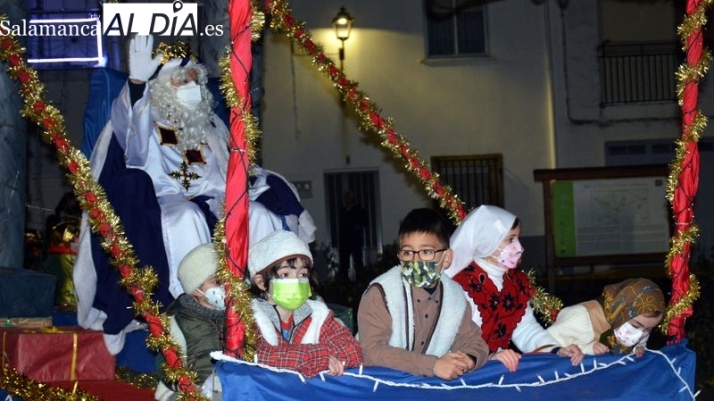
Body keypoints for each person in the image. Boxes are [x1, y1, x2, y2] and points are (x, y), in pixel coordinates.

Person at [74, 35, 230, 353]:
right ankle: (184, 306)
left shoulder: (210, 125)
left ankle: (227, 310)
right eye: (179, 78)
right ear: (160, 85)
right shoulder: (148, 115)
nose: (189, 83)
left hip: (209, 201)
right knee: (183, 216)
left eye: (194, 78)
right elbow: (129, 141)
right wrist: (135, 84)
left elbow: (228, 173)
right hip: (158, 202)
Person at [444, 205, 584, 372]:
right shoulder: (462, 287)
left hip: (498, 370)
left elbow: (525, 329)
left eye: (517, 238)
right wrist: (488, 357)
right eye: (510, 239)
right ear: (489, 241)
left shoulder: (515, 282)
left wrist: (556, 349)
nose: (519, 247)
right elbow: (450, 342)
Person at [357, 208, 489, 380]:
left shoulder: (455, 297)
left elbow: (472, 340)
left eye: (426, 252)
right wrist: (433, 365)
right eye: (407, 252)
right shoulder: (381, 293)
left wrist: (468, 358)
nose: (415, 260)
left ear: (447, 258)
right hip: (383, 388)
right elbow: (371, 352)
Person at [248, 230, 363, 378]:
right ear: (261, 282)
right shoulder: (249, 315)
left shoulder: (318, 313)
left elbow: (352, 350)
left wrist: (304, 359)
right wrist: (320, 358)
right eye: (285, 274)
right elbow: (261, 355)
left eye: (302, 274)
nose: (296, 281)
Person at [155, 243, 226, 401]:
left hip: (227, 386)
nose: (225, 286)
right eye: (217, 281)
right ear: (196, 289)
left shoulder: (236, 315)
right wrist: (181, 383)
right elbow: (164, 362)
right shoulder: (180, 321)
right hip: (190, 390)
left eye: (227, 279)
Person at [547, 278, 665, 357]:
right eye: (635, 326)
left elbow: (641, 342)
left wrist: (638, 349)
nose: (638, 336)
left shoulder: (641, 324)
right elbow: (540, 346)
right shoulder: (581, 318)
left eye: (648, 330)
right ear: (622, 310)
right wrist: (586, 349)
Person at [338, 190, 367, 281]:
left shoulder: (358, 209)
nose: (347, 200)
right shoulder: (343, 211)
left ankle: (360, 280)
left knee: (358, 261)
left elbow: (365, 221)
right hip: (344, 241)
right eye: (346, 198)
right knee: (344, 263)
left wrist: (357, 227)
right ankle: (345, 282)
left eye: (349, 198)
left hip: (355, 240)